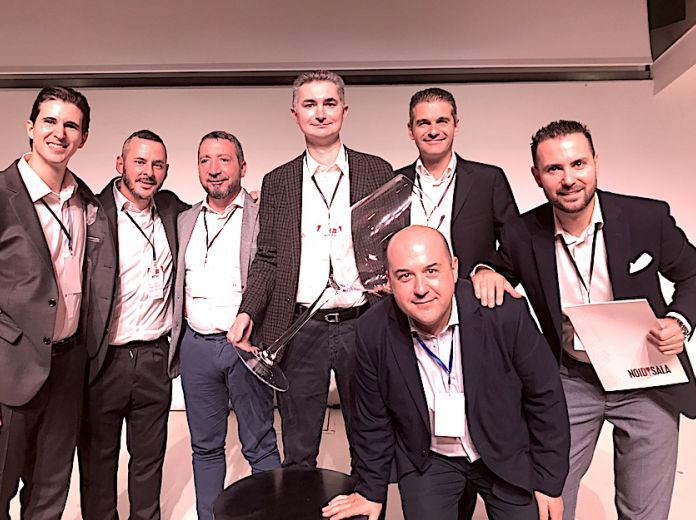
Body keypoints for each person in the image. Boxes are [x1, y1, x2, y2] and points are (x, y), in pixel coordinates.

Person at [472, 120, 696, 519]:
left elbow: (695, 274)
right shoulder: (521, 232)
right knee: (547, 501)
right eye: (554, 169)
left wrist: (680, 321)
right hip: (571, 380)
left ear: (596, 162)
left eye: (578, 164)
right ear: (537, 176)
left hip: (646, 376)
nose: (569, 179)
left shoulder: (645, 217)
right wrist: (484, 271)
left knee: (645, 513)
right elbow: (496, 269)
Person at [322, 225, 569, 520]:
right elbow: (371, 420)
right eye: (405, 276)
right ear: (388, 281)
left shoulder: (503, 312)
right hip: (430, 457)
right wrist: (370, 491)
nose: (421, 288)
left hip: (503, 450)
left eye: (432, 271)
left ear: (454, 268)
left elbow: (545, 397)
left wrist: (549, 483)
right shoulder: (372, 331)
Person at [228, 70, 393, 468]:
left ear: (344, 110)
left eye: (329, 103)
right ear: (295, 114)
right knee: (299, 450)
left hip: (364, 323)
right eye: (310, 104)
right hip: (301, 327)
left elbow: (394, 248)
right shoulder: (279, 181)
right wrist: (248, 311)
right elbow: (267, 257)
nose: (320, 113)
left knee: (371, 442)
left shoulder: (377, 171)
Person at [0, 86, 115, 519]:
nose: (59, 132)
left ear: (83, 138)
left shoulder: (85, 200)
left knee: (49, 495)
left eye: (71, 125)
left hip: (67, 370)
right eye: (50, 121)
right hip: (4, 372)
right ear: (30, 127)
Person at [77, 129, 188, 519]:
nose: (148, 172)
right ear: (120, 164)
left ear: (166, 171)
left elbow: (216, 213)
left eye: (157, 164)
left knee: (148, 460)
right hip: (103, 360)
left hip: (155, 357)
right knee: (97, 462)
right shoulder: (90, 211)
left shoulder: (173, 210)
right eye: (139, 162)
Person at [171, 131, 281, 519]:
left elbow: (275, 275)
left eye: (224, 160)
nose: (214, 169)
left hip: (244, 347)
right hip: (196, 347)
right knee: (205, 446)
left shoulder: (262, 216)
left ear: (243, 167)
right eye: (205, 160)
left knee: (260, 445)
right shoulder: (184, 220)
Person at [395, 87, 518, 277]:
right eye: (423, 123)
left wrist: (490, 273)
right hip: (409, 299)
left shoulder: (488, 180)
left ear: (456, 125)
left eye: (442, 121)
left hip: (472, 298)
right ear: (410, 130)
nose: (433, 131)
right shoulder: (393, 183)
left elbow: (516, 246)